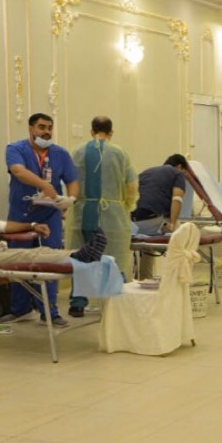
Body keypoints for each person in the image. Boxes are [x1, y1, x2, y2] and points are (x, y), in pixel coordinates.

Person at [1, 113, 80, 327]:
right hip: (21, 215)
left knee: (49, 261)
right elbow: (19, 171)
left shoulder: (60, 154)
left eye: (49, 128)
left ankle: (49, 312)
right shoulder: (15, 149)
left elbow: (72, 181)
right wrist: (45, 185)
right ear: (30, 129)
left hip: (49, 215)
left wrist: (70, 199)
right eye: (41, 127)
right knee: (18, 261)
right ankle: (20, 309)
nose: (46, 132)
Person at [67, 116, 137, 316]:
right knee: (114, 258)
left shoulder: (77, 152)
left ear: (91, 131)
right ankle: (117, 302)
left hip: (82, 214)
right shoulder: (120, 153)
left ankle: (78, 303)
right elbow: (131, 186)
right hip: (112, 215)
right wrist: (127, 206)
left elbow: (70, 183)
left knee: (81, 258)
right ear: (111, 133)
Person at [131, 154, 189, 278]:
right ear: (180, 166)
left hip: (133, 223)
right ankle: (180, 279)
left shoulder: (146, 172)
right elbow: (177, 199)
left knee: (147, 245)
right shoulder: (177, 174)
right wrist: (172, 224)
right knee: (183, 235)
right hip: (152, 219)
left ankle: (145, 278)